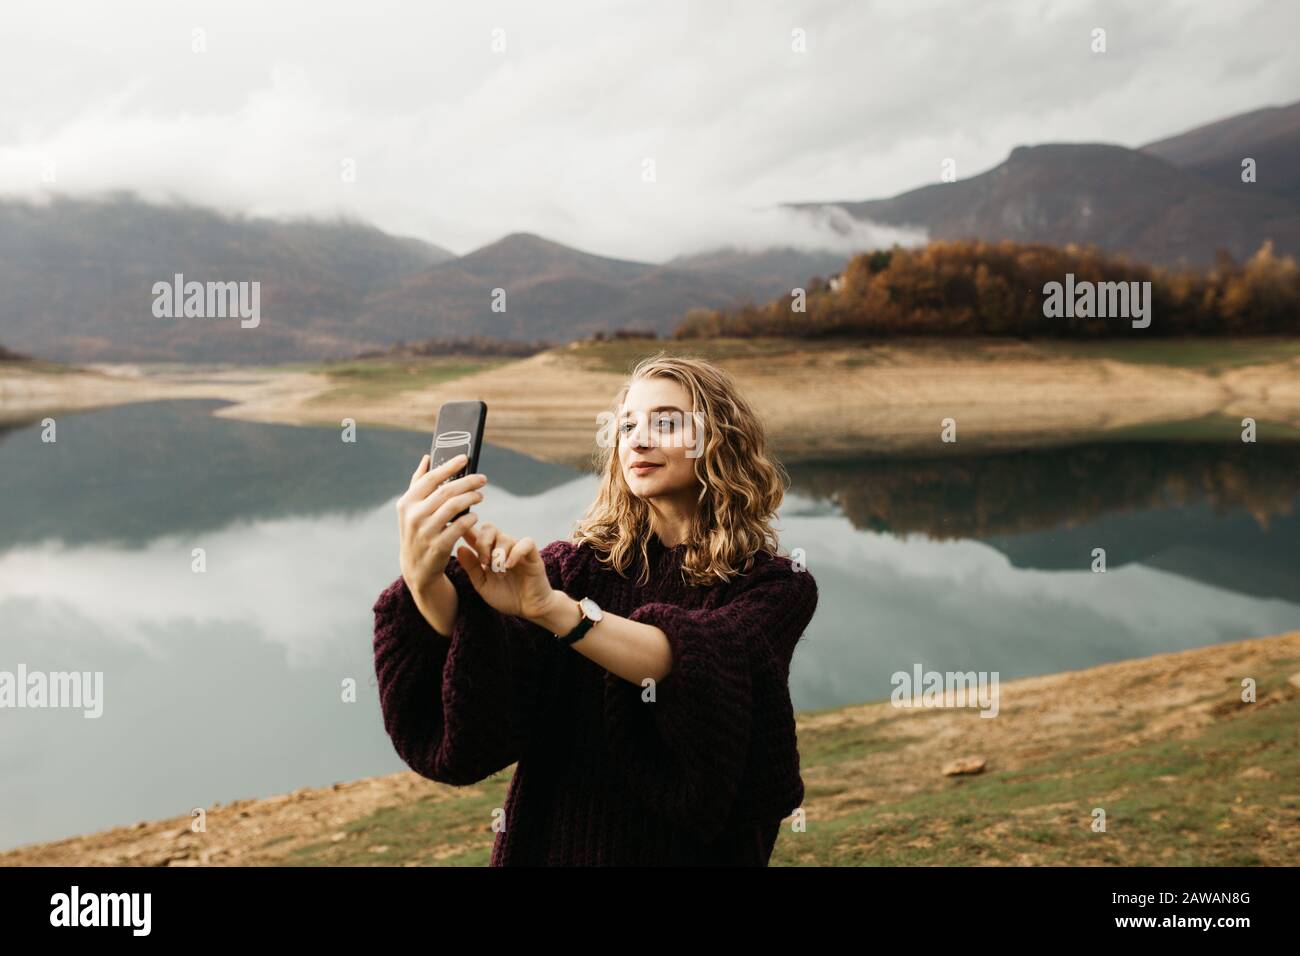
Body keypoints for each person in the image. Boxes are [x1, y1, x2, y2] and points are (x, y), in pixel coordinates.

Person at [372, 353, 819, 865]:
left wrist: (554, 610)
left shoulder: (775, 586)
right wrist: (423, 577)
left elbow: (703, 657)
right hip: (553, 847)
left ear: (721, 440)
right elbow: (491, 649)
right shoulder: (575, 568)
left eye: (666, 422)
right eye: (627, 424)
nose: (638, 438)